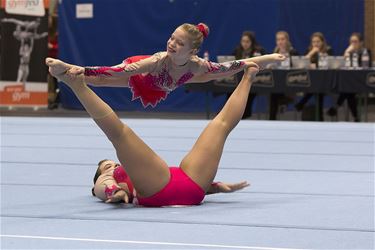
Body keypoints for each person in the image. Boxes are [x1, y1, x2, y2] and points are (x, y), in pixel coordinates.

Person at [46, 56, 260, 206]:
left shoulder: (132, 169)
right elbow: (102, 188)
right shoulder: (107, 179)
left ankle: (248, 78)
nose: (111, 165)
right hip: (160, 189)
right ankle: (78, 86)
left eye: (111, 163)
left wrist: (216, 187)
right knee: (119, 134)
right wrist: (115, 192)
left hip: (193, 185)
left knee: (220, 125)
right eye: (106, 166)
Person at [46, 23, 285, 108]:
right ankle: (69, 69)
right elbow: (119, 70)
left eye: (178, 43)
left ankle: (71, 73)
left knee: (215, 74)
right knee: (102, 80)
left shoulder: (198, 64)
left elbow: (234, 65)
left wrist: (270, 57)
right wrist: (85, 70)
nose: (171, 43)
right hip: (145, 75)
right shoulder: (158, 59)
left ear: (192, 50)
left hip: (174, 79)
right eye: (171, 38)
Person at [327, 32, 372, 122]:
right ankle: (356, 118)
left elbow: (367, 65)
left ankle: (336, 106)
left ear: (361, 42)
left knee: (348, 89)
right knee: (348, 90)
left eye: (355, 41)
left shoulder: (366, 52)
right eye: (351, 42)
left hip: (362, 81)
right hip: (351, 82)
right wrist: (346, 52)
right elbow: (343, 64)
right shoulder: (349, 52)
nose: (353, 44)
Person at [294, 32, 333, 121]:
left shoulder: (328, 50)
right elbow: (302, 62)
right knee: (315, 88)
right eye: (313, 42)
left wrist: (320, 53)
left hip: (326, 81)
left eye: (318, 42)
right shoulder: (309, 50)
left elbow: (330, 63)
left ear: (322, 42)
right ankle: (320, 118)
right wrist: (311, 53)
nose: (316, 44)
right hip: (311, 81)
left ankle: (302, 103)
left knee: (318, 88)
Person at [270, 31, 298, 120]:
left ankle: (283, 102)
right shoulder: (274, 52)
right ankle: (272, 119)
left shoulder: (293, 52)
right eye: (278, 39)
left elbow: (298, 66)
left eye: (282, 39)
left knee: (279, 89)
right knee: (272, 90)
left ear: (287, 40)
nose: (280, 42)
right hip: (277, 83)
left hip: (290, 82)